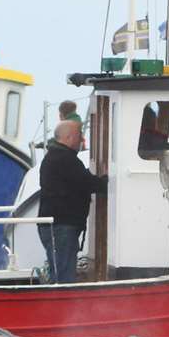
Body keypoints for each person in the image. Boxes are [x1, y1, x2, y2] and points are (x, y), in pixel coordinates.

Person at [37, 120, 106, 283]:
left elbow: (80, 182)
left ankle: (58, 304)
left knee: (60, 272)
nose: (82, 139)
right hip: (61, 227)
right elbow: (87, 183)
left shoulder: (55, 157)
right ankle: (59, 306)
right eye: (79, 134)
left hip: (56, 226)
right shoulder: (65, 160)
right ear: (68, 137)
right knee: (63, 276)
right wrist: (108, 182)